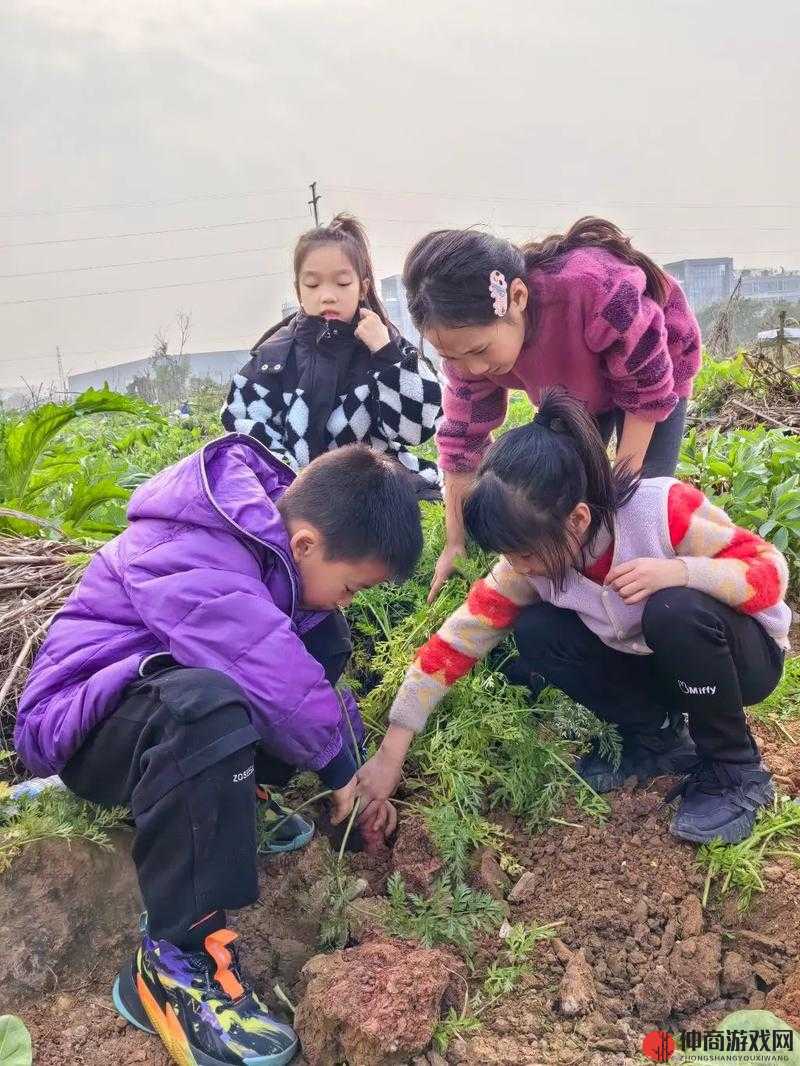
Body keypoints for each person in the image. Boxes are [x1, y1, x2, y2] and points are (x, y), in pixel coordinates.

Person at [14, 437, 420, 1066]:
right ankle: (174, 960)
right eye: (351, 585)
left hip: (150, 706)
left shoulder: (267, 552)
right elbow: (263, 667)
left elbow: (298, 673)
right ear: (307, 543)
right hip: (84, 724)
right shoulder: (193, 544)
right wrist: (342, 767)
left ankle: (232, 798)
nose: (349, 599)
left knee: (323, 639)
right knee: (207, 707)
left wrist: (358, 761)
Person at [356, 389, 791, 848]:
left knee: (673, 609)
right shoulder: (533, 564)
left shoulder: (659, 510)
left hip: (742, 662)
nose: (518, 567)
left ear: (578, 519)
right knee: (538, 629)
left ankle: (735, 769)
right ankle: (658, 739)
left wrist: (681, 571)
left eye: (523, 553)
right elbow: (455, 642)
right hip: (664, 669)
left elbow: (770, 573)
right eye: (509, 555)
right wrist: (391, 752)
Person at [401, 217, 702, 600]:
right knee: (568, 491)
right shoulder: (467, 358)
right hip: (575, 388)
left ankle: (654, 588)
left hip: (655, 371)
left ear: (518, 298)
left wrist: (618, 499)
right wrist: (455, 544)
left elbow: (646, 392)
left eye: (480, 351)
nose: (473, 368)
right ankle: (578, 590)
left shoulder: (594, 290)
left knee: (641, 499)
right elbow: (461, 445)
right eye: (452, 357)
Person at [222, 213, 443, 499]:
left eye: (341, 283)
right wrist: (293, 481)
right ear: (298, 291)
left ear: (362, 288)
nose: (327, 296)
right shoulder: (274, 356)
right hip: (299, 493)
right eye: (313, 285)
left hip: (379, 487)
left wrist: (387, 355)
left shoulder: (383, 343)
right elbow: (244, 425)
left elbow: (417, 429)